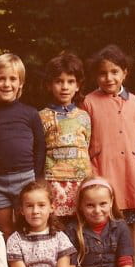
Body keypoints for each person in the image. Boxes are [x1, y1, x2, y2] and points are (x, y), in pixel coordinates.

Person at [83, 44, 135, 238]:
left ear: (124, 73)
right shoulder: (88, 102)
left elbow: (134, 137)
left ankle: (128, 257)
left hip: (130, 173)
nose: (109, 78)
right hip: (103, 171)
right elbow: (85, 141)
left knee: (129, 227)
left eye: (114, 72)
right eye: (103, 73)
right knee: (103, 225)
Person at [0, 53, 45, 238]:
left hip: (26, 177)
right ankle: (8, 258)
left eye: (12, 79)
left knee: (28, 226)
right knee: (5, 231)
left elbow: (40, 148)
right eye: (1, 79)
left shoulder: (30, 114)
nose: (7, 84)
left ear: (21, 83)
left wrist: (36, 178)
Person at [66, 177, 134, 267]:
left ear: (111, 202)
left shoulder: (120, 227)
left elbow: (126, 262)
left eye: (103, 204)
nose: (97, 210)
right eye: (90, 205)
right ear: (81, 206)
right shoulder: (73, 230)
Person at [39, 52, 92, 225]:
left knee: (81, 225)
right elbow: (40, 150)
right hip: (54, 180)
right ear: (49, 85)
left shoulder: (84, 116)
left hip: (81, 180)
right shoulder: (41, 116)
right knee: (56, 225)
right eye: (59, 81)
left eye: (70, 81)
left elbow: (87, 145)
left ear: (78, 86)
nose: (64, 87)